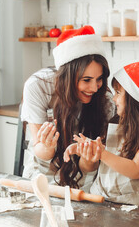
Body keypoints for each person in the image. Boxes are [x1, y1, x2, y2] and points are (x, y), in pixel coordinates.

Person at [64, 61, 139, 210]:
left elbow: (136, 170)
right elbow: (108, 154)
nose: (113, 99)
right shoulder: (117, 124)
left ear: (135, 98)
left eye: (118, 93)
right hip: (105, 201)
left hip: (138, 207)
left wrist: (102, 153)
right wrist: (87, 147)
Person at [21, 25, 114, 191]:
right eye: (86, 80)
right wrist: (48, 146)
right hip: (43, 170)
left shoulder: (105, 100)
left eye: (99, 79)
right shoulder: (38, 86)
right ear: (68, 76)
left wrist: (88, 158)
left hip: (85, 180)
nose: (94, 88)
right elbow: (39, 150)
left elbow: (92, 166)